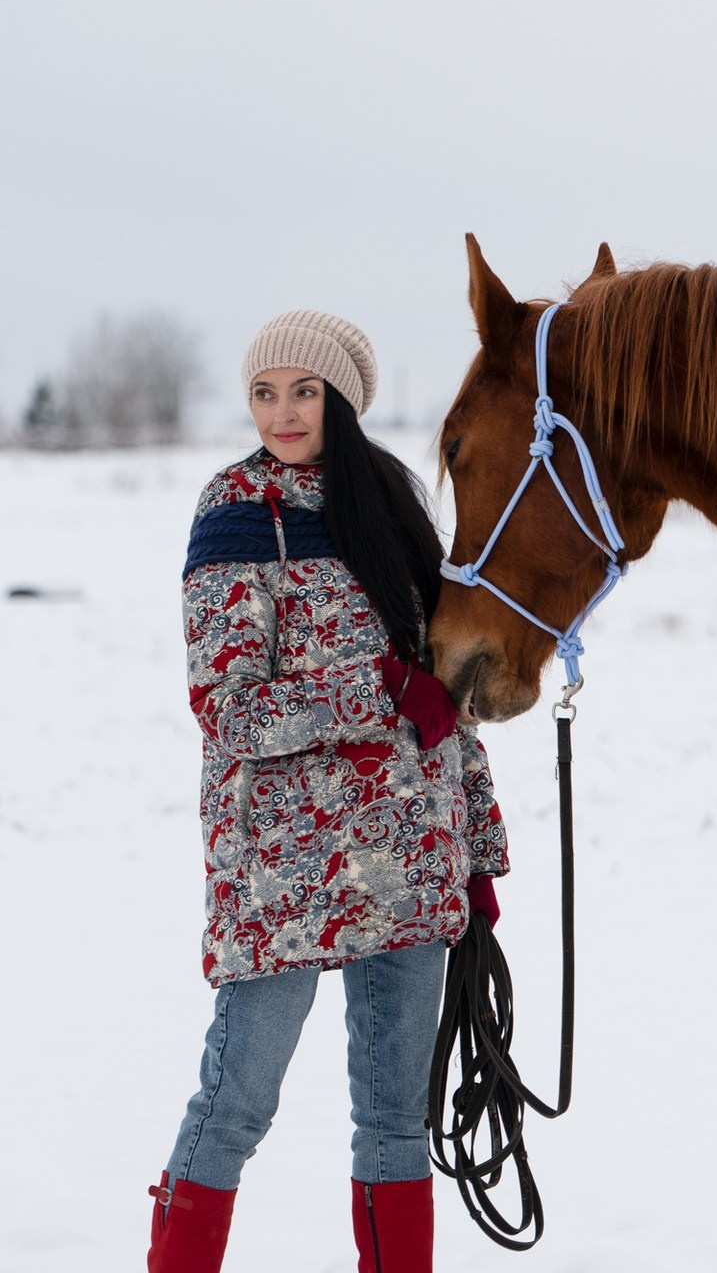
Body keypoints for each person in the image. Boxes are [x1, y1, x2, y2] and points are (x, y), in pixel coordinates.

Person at [147, 310, 507, 1273]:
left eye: (303, 390)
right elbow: (230, 709)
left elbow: (452, 706)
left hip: (408, 863)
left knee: (395, 1125)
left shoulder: (392, 504)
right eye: (265, 392)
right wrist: (381, 690)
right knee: (235, 1106)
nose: (282, 412)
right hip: (283, 879)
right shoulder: (234, 509)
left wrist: (476, 858)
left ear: (342, 398)